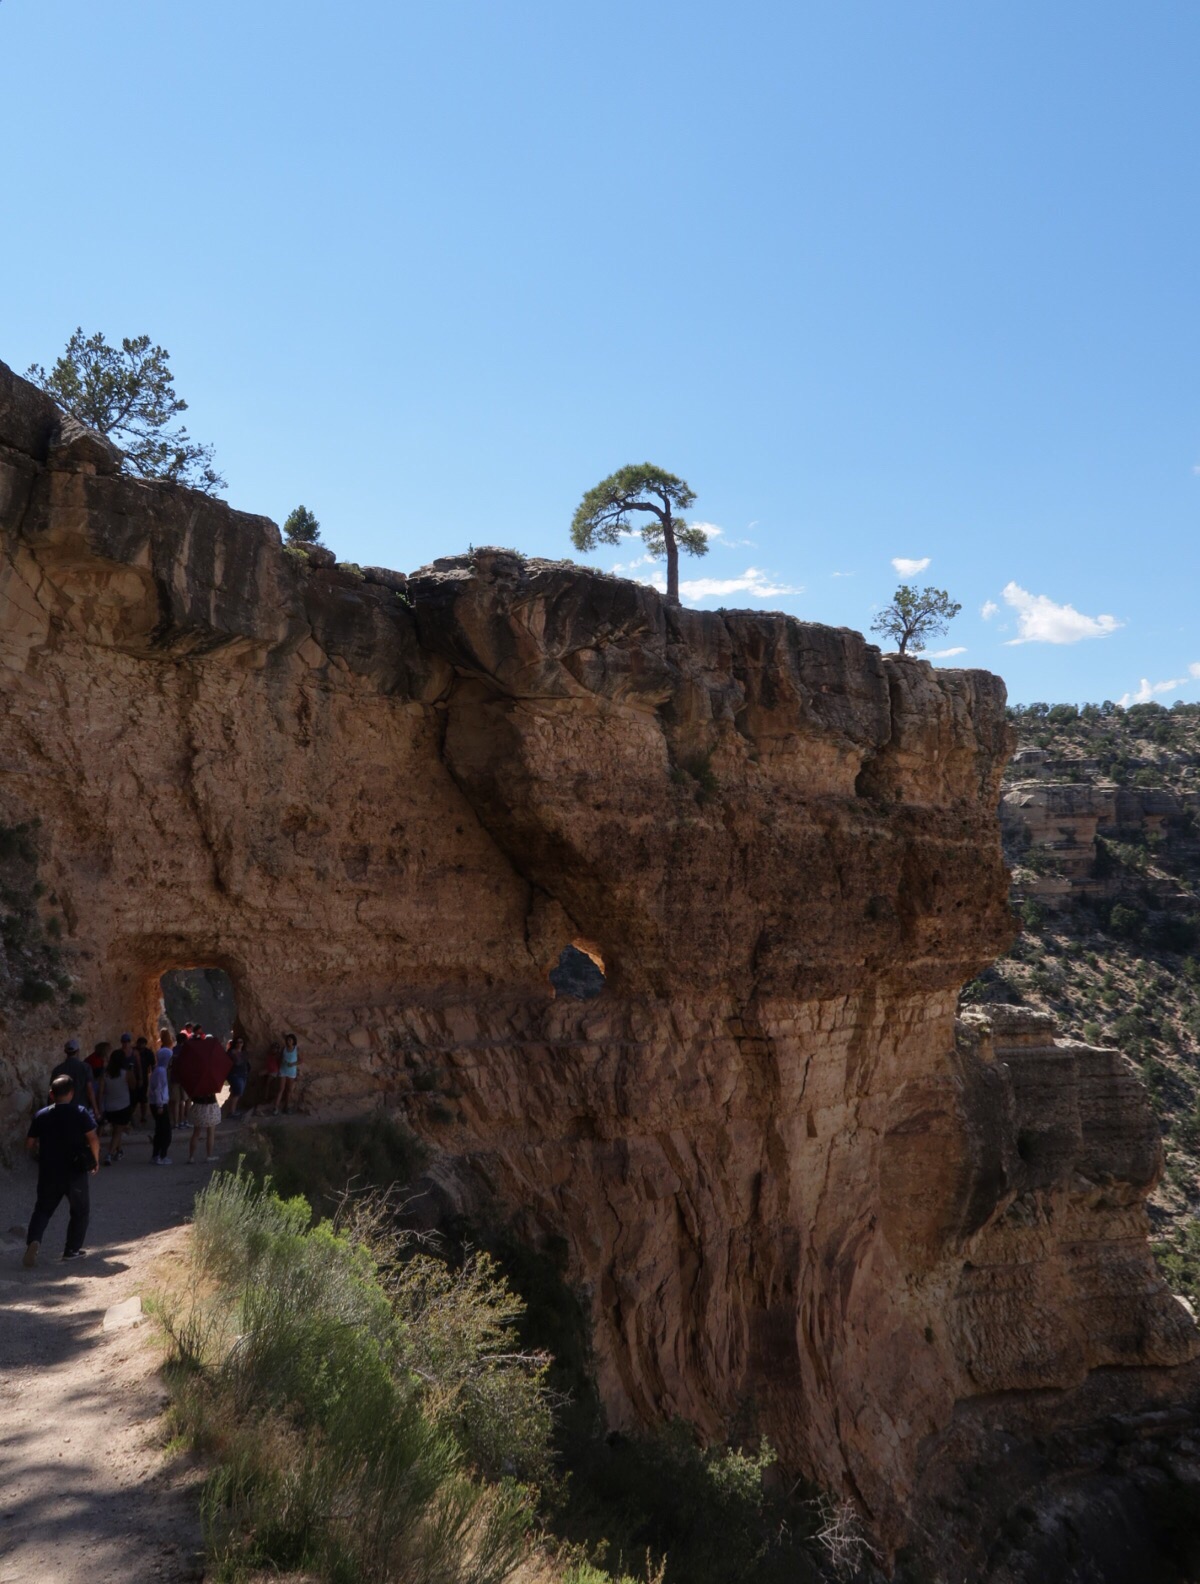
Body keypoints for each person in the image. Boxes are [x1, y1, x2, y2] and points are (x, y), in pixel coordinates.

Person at [24, 1073, 99, 1265]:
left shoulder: (41, 1115)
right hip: (75, 1171)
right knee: (80, 1211)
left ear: (51, 1094)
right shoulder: (80, 1112)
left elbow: (30, 1143)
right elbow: (92, 1138)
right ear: (72, 1093)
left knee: (42, 1209)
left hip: (49, 1171)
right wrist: (95, 1160)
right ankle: (71, 1250)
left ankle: (34, 1240)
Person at [172, 1028, 231, 1165]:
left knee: (196, 1133)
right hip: (210, 1106)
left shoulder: (194, 1078)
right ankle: (209, 1155)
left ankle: (191, 1157)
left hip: (197, 1106)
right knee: (211, 1133)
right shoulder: (211, 1078)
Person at [99, 1044, 133, 1164]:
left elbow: (101, 1092)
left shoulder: (105, 1075)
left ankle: (119, 1150)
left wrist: (99, 1107)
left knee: (116, 1130)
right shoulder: (126, 1073)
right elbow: (133, 1086)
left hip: (109, 1107)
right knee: (118, 1131)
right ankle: (109, 1154)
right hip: (123, 1106)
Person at [50, 1037, 98, 1118]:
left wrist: (51, 1110)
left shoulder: (57, 1070)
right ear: (78, 1051)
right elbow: (90, 1091)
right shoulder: (85, 1067)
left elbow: (52, 1093)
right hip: (81, 1109)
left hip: (63, 1111)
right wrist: (96, 1110)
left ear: (65, 1051)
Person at [148, 1044, 173, 1164]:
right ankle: (162, 1156)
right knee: (165, 1131)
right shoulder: (161, 1071)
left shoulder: (158, 1070)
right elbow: (158, 1089)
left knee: (160, 1131)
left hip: (158, 1104)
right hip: (160, 1105)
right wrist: (160, 1105)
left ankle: (156, 1155)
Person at [223, 1036, 250, 1118]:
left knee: (235, 1093)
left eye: (241, 1042)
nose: (239, 1044)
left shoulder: (244, 1053)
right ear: (235, 1043)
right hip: (235, 1075)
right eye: (238, 1042)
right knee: (237, 1093)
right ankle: (232, 1112)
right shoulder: (230, 1053)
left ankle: (231, 1111)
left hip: (243, 1074)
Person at [273, 1033, 300, 1115]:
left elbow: (301, 1060)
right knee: (281, 1089)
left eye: (290, 1040)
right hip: (283, 1071)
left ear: (293, 1041)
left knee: (289, 1090)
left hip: (291, 1072)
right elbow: (280, 1058)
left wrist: (294, 1064)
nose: (288, 1042)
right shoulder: (284, 1049)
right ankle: (275, 1107)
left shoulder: (296, 1049)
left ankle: (286, 1107)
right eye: (287, 1040)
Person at [132, 1035, 153, 1124]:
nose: (140, 1045)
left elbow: (152, 1064)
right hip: (132, 1077)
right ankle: (131, 1116)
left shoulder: (148, 1053)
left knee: (143, 1098)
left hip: (144, 1077)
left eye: (142, 1044)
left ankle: (143, 1116)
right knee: (132, 1098)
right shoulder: (132, 1051)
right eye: (139, 1043)